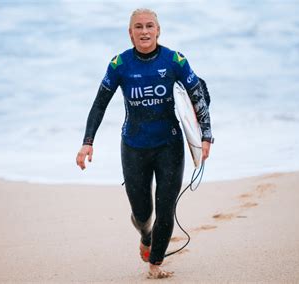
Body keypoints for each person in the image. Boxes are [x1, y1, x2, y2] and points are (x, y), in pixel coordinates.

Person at [76, 8, 213, 279]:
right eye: (138, 27)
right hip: (134, 147)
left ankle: (155, 265)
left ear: (158, 30)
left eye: (150, 26)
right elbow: (100, 103)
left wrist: (205, 137)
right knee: (142, 213)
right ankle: (146, 235)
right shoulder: (120, 64)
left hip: (169, 145)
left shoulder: (175, 60)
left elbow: (198, 95)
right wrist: (87, 142)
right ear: (130, 33)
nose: (144, 31)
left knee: (166, 209)